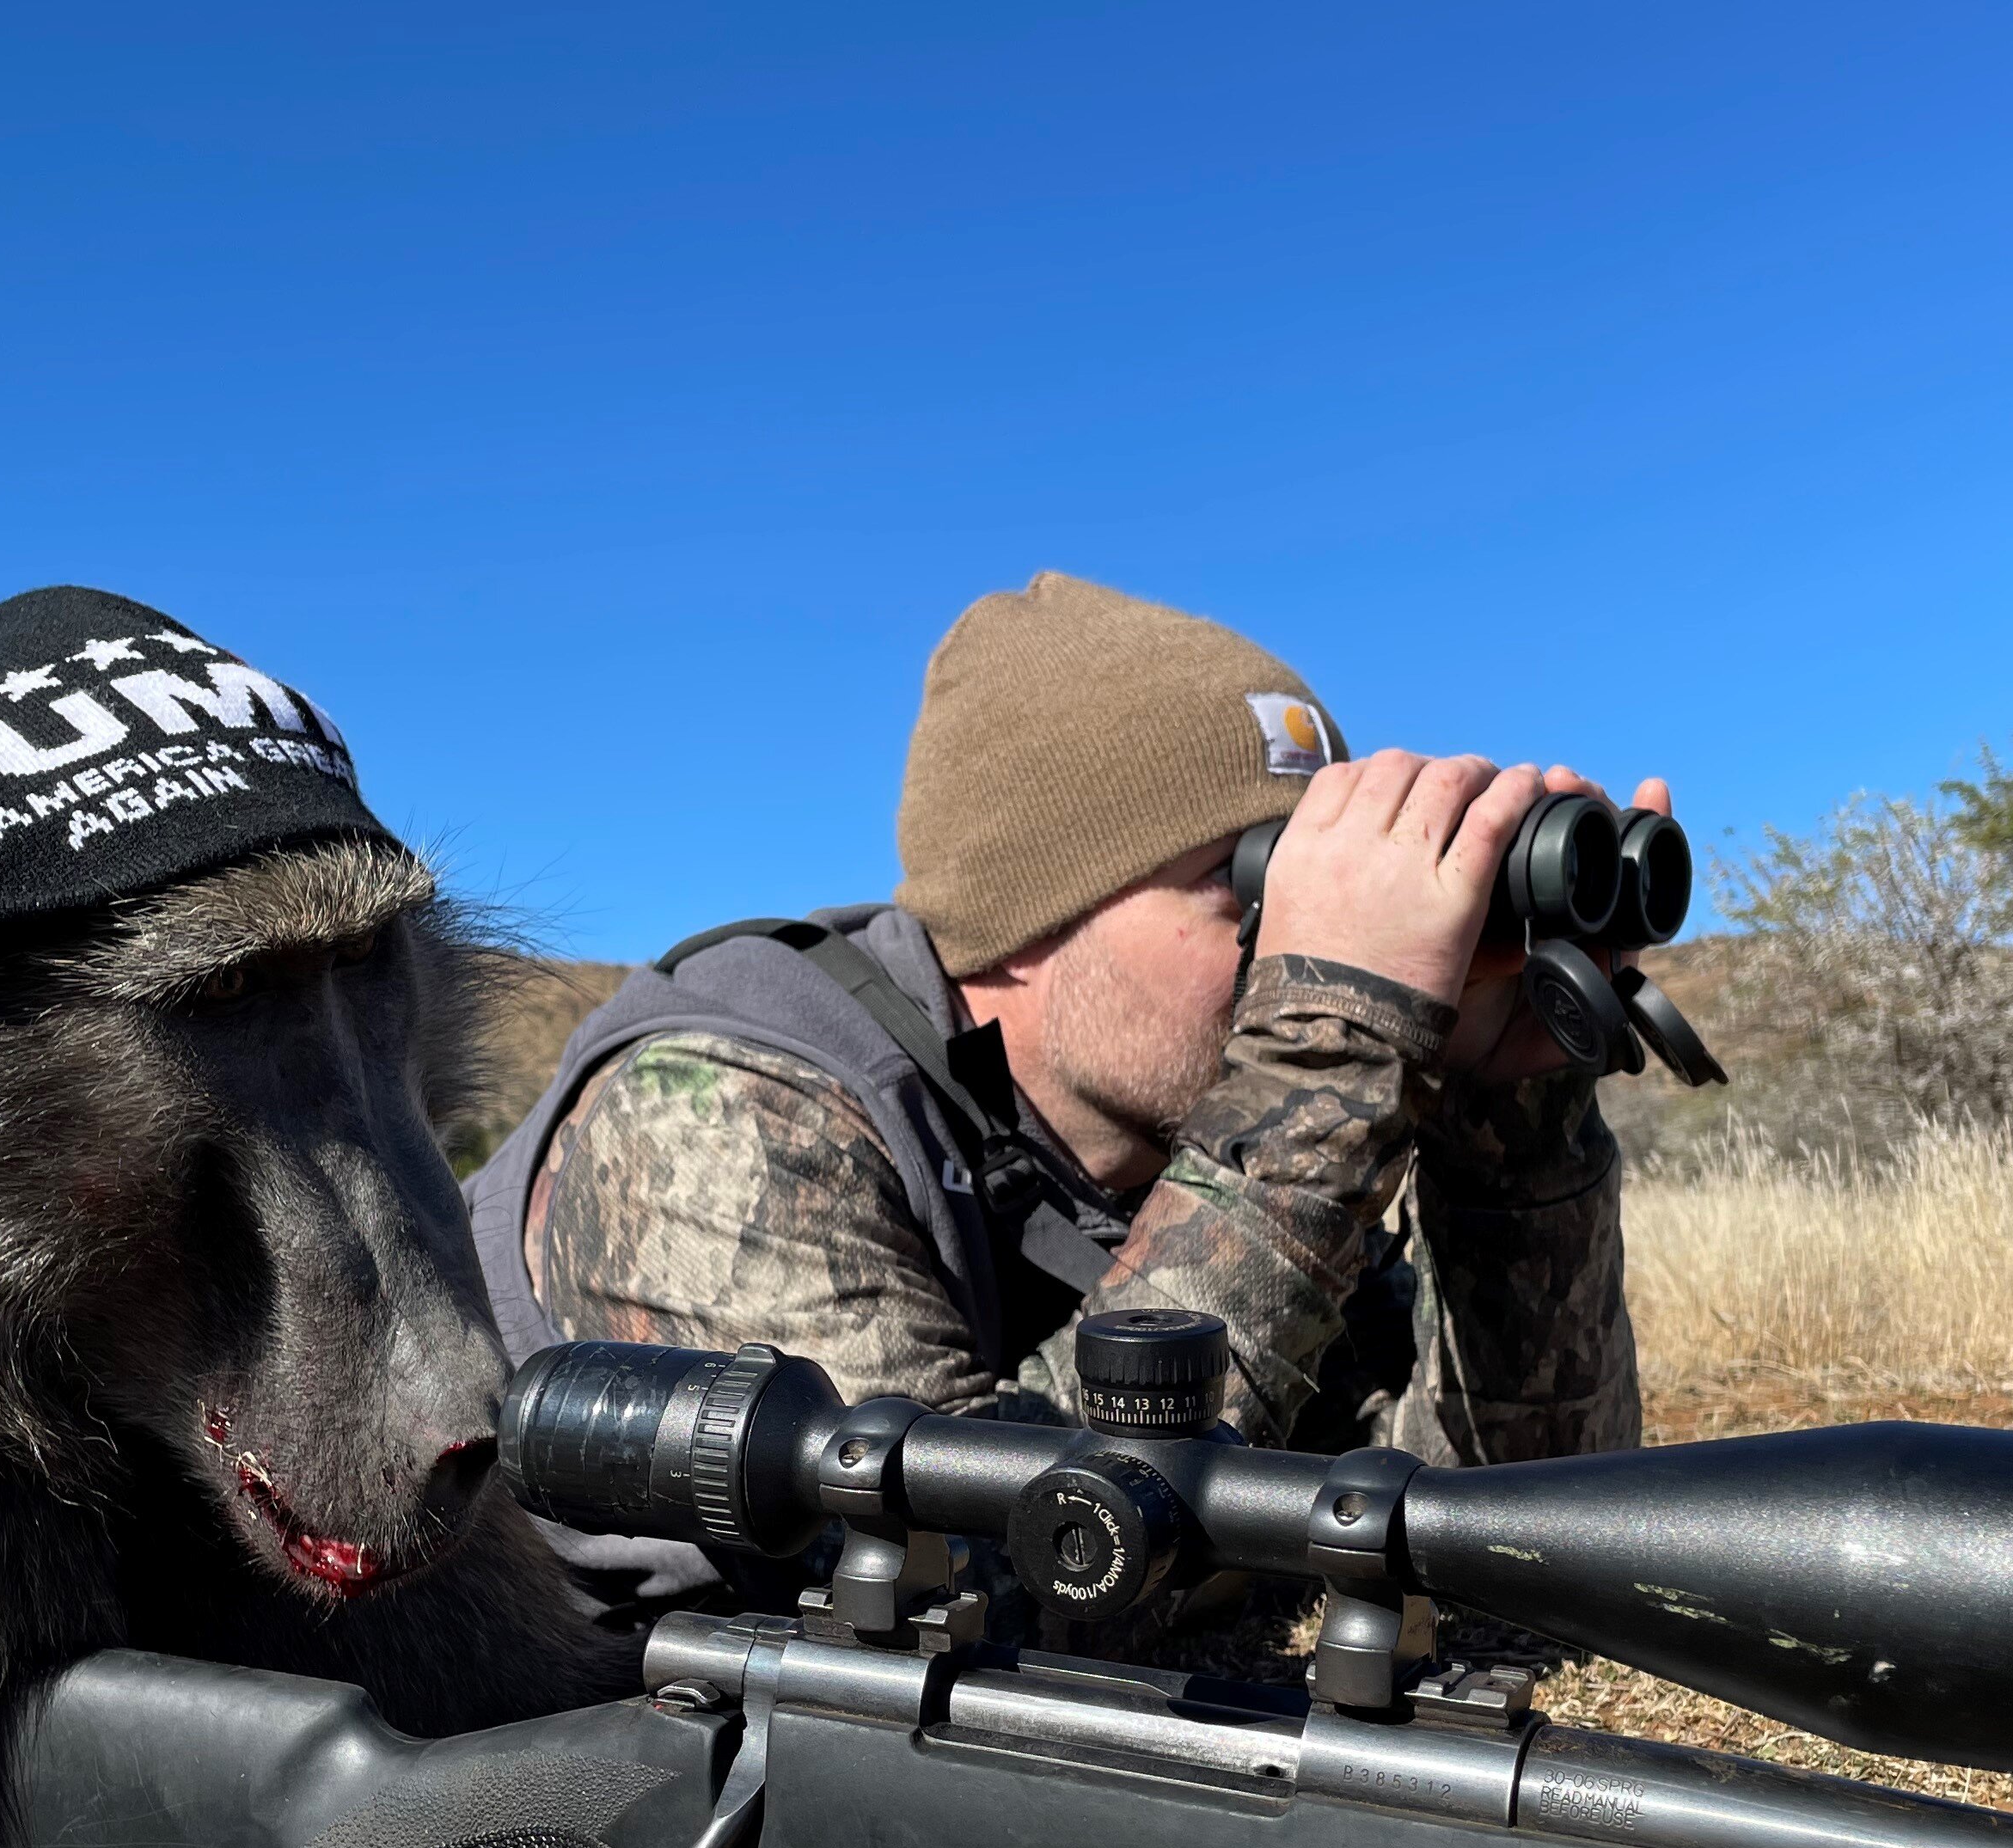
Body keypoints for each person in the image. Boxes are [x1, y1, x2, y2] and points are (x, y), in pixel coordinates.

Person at [467, 572, 1652, 1597]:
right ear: (1031, 923)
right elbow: (992, 1591)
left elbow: (1513, 1537)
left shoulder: (1186, 1137)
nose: (1291, 949)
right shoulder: (714, 1116)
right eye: (1250, 890)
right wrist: (1327, 1047)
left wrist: (1512, 1131)